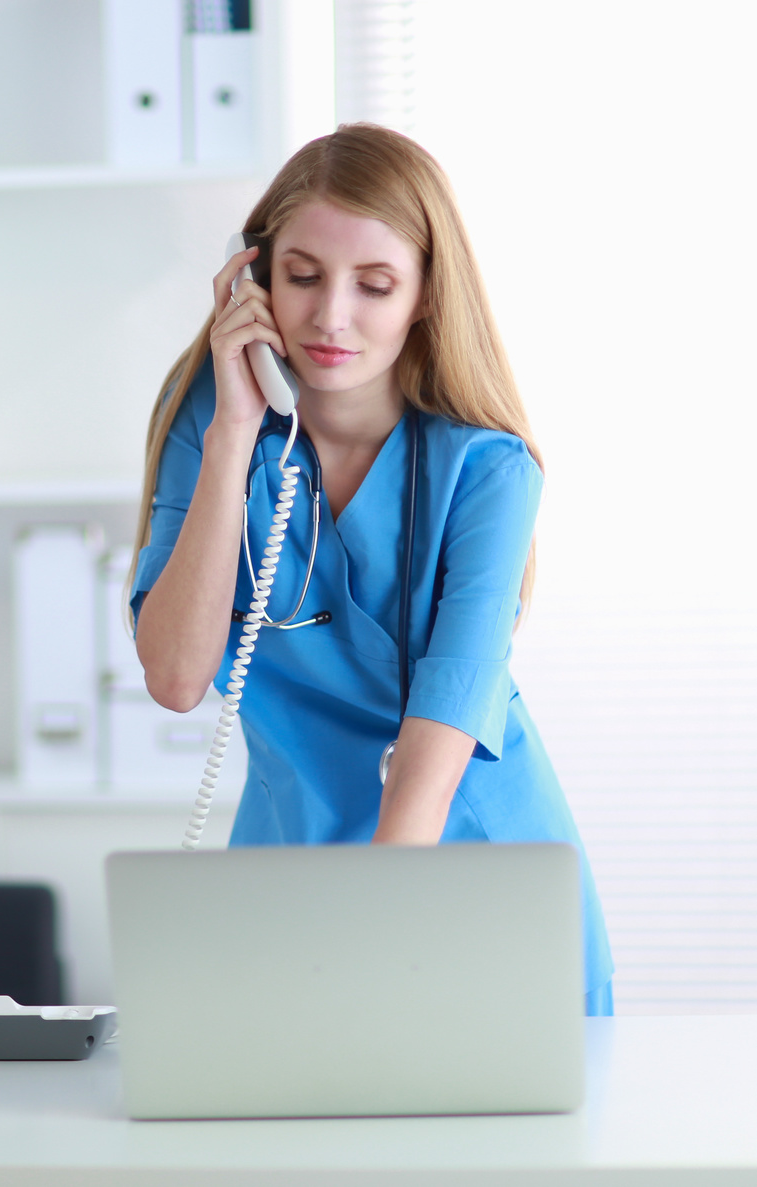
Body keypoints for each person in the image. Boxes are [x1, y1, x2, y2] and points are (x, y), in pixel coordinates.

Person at [130, 123, 614, 1014]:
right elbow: (172, 674)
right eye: (302, 275)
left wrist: (370, 935)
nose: (329, 316)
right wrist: (237, 431)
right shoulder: (208, 421)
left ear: (427, 295)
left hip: (465, 872)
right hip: (292, 866)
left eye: (375, 284)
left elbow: (437, 736)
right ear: (253, 276)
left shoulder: (490, 470)